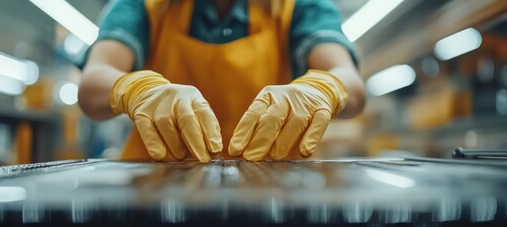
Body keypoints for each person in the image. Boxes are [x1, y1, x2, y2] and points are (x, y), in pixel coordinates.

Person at [78, 0, 365, 162]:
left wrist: (325, 88)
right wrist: (134, 90)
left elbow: (350, 82)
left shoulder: (299, 7)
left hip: (271, 190)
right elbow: (93, 83)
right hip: (155, 186)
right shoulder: (143, 6)